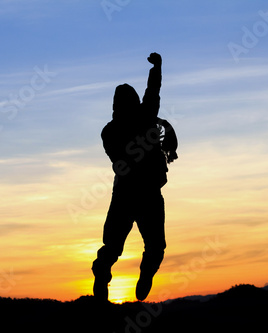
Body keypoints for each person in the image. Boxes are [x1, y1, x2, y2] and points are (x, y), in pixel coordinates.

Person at [92, 52, 178, 302]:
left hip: (130, 195)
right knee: (146, 247)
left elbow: (153, 90)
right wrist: (157, 67)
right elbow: (153, 91)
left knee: (125, 247)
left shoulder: (114, 128)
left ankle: (119, 273)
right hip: (139, 195)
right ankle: (110, 273)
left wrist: (157, 68)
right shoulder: (137, 120)